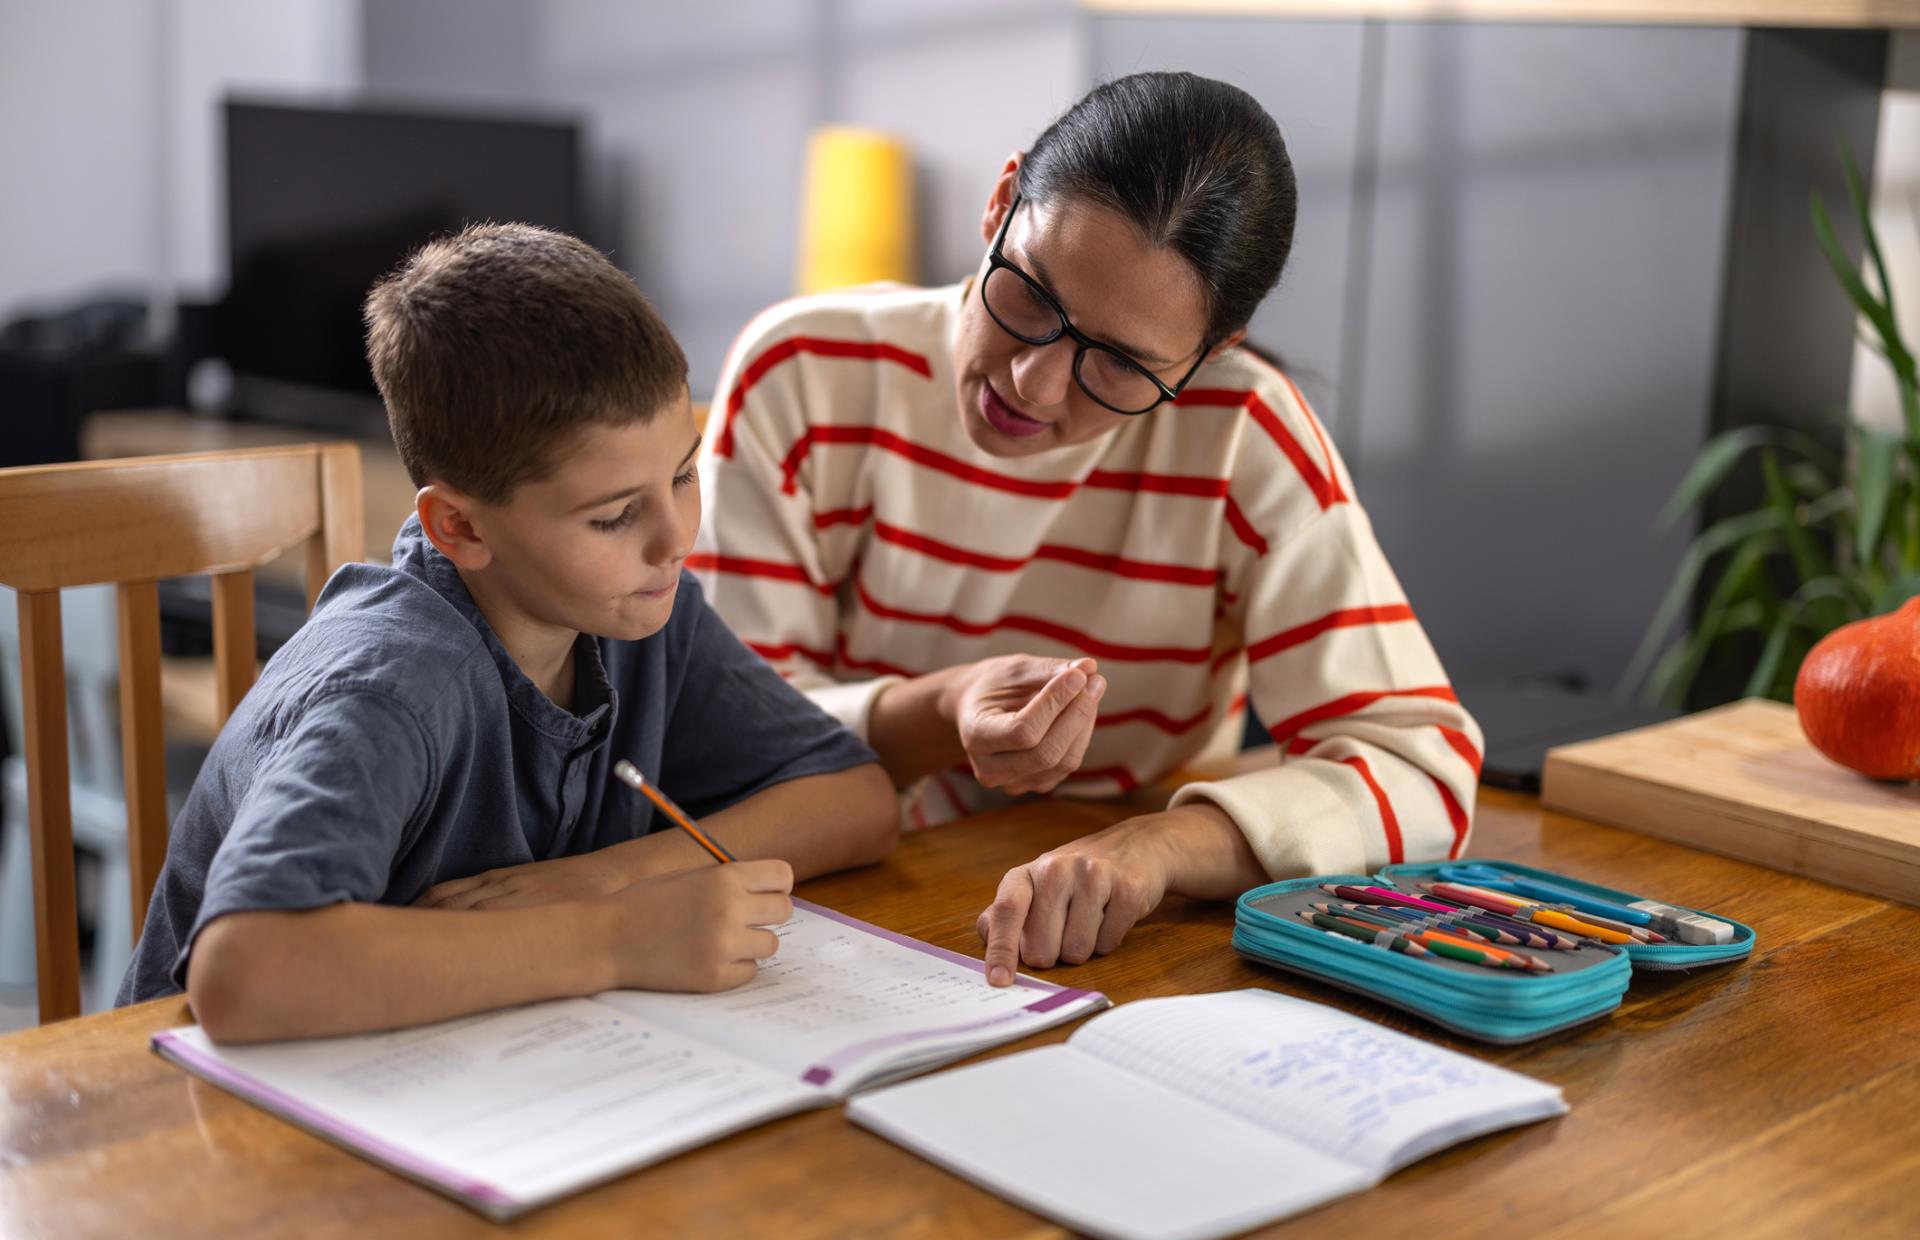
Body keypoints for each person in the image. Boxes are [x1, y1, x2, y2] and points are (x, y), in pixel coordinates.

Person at [691, 72, 1482, 986]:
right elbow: (727, 734)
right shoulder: (804, 369)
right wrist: (945, 711)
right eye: (1030, 296)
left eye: (1119, 364)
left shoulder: (1242, 433)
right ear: (1000, 204)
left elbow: (1423, 767)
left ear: (1212, 353)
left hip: (1113, 950)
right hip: (826, 912)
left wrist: (1158, 849)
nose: (1034, 383)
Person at [119, 224, 898, 1041]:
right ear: (458, 525)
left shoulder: (639, 615)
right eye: (613, 516)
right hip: (202, 1132)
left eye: (682, 474)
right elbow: (244, 972)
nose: (676, 539)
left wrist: (612, 879)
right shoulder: (391, 686)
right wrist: (615, 936)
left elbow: (856, 798)